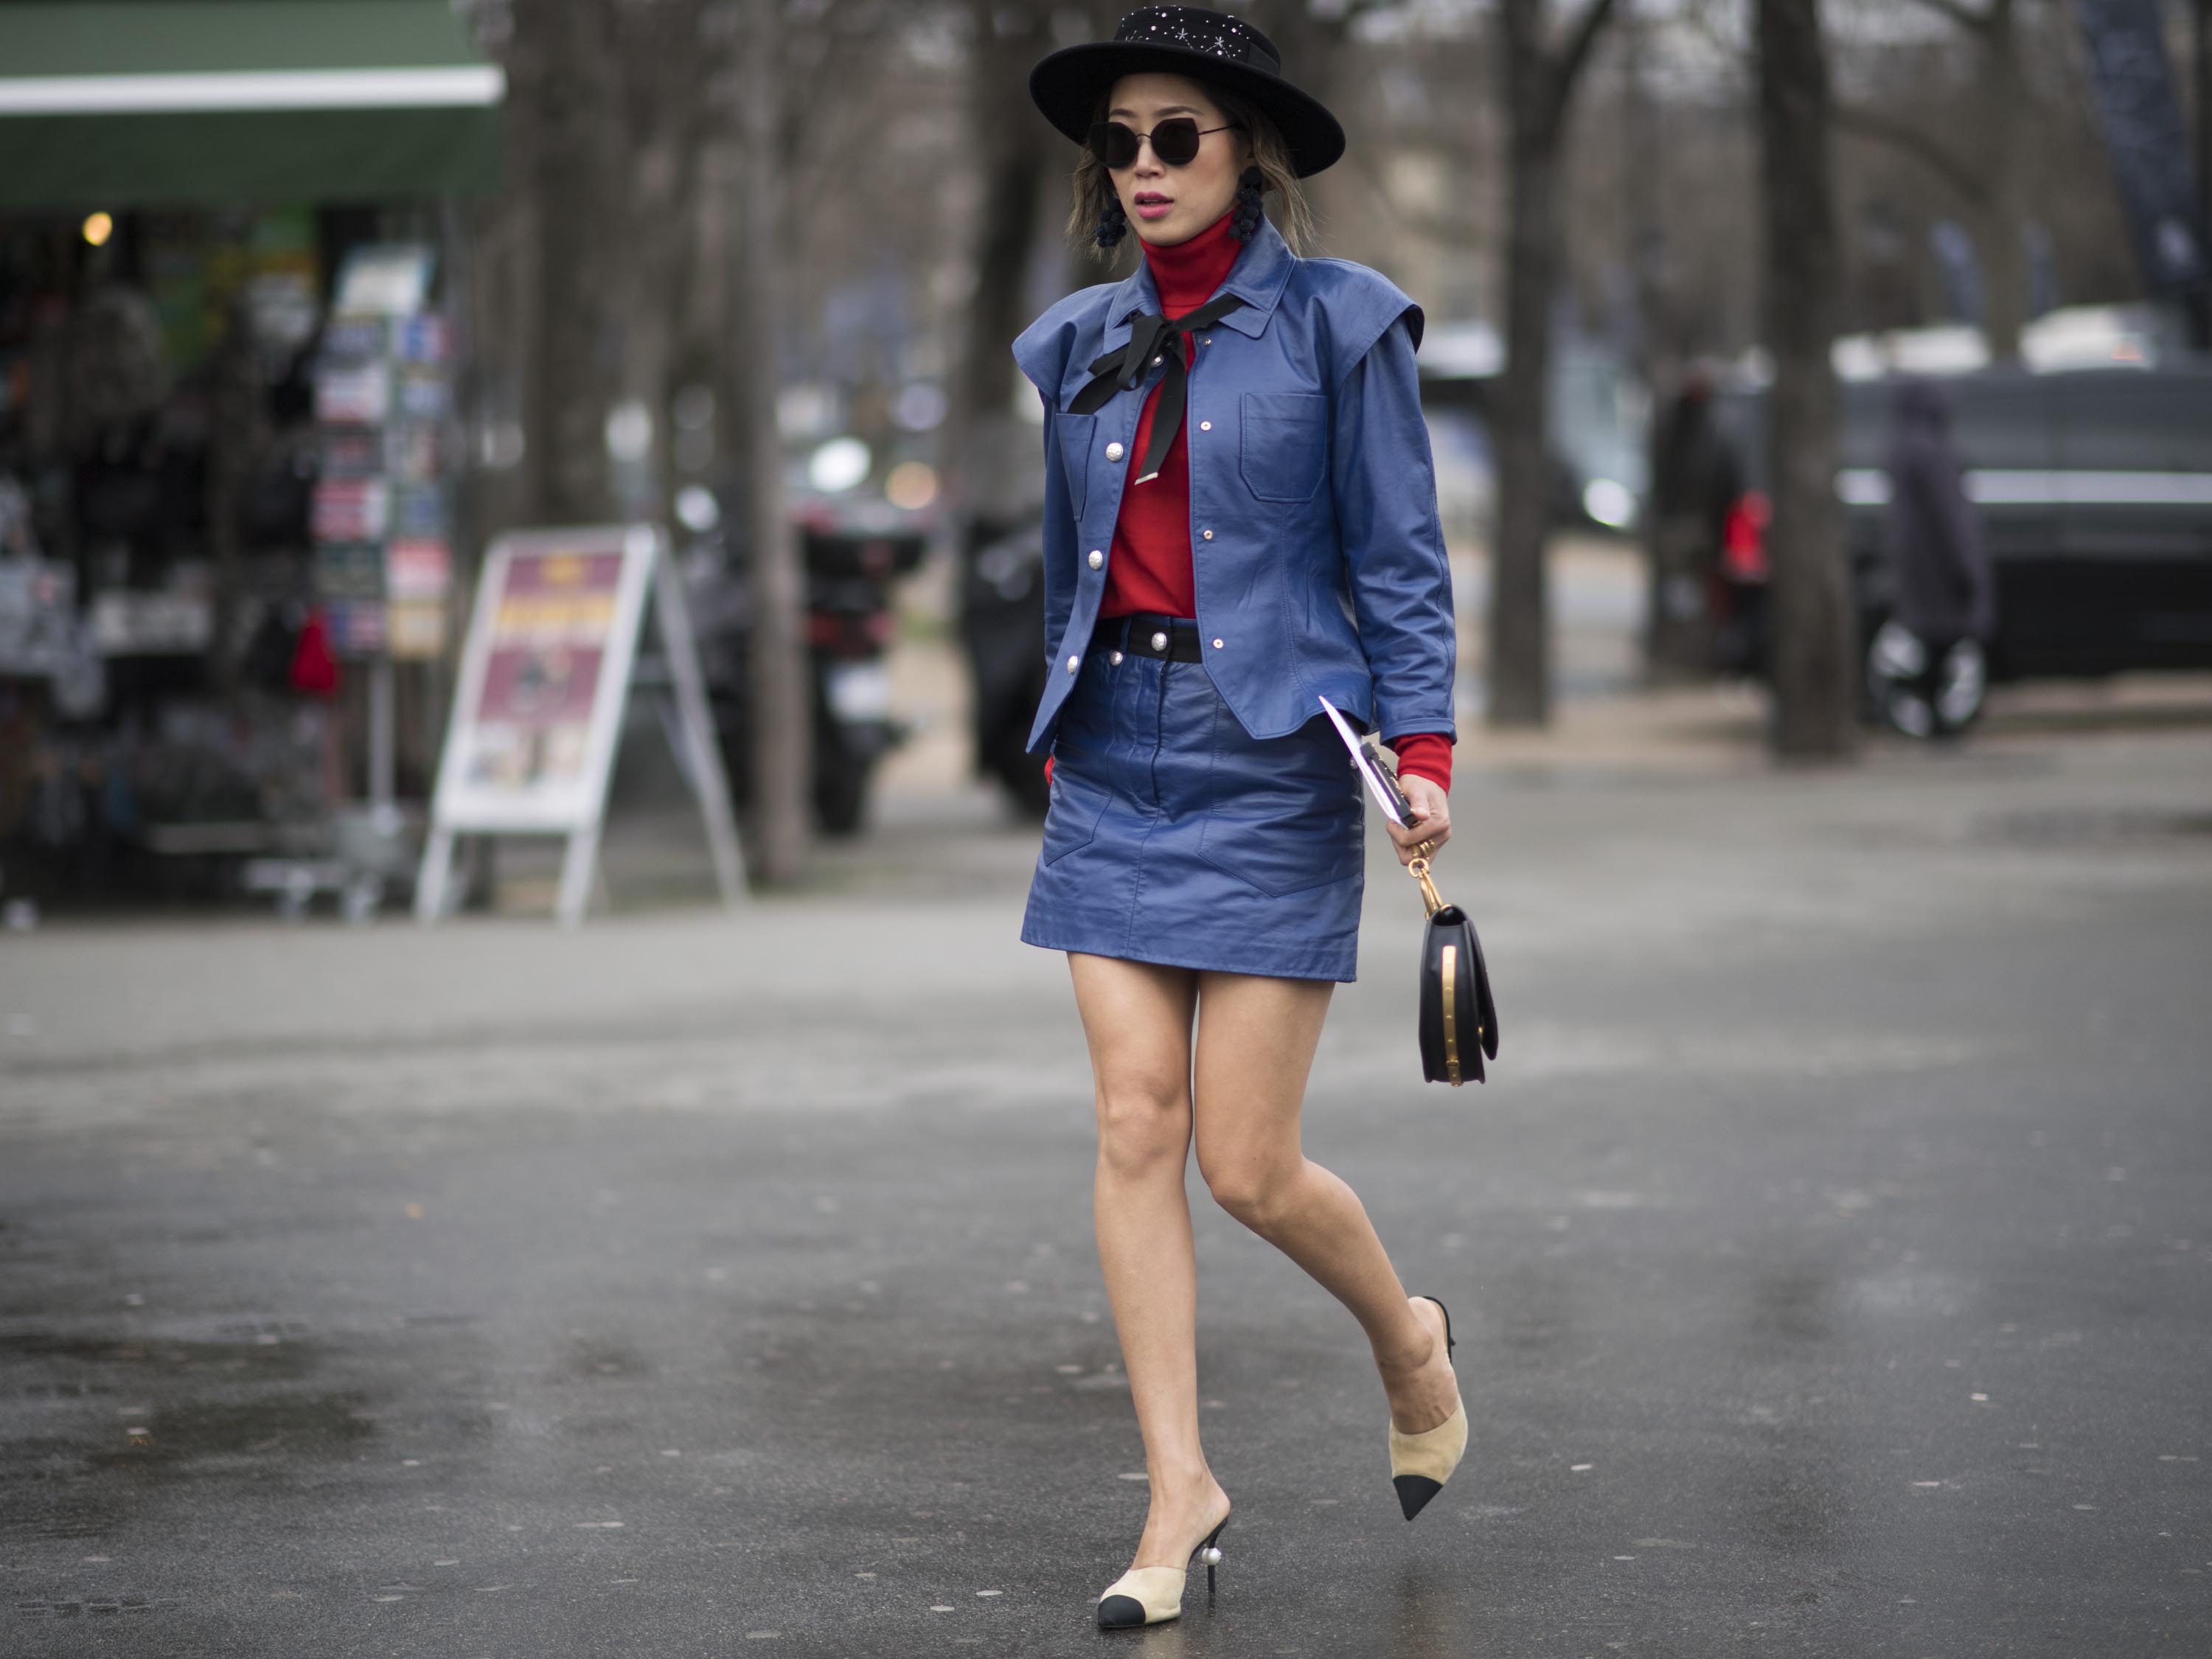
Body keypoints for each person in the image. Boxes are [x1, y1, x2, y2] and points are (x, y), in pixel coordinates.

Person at [1012, 7, 1464, 1630]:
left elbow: (1402, 563)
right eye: (1119, 140)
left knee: (1246, 1164)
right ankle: (1178, 1491)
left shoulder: (1345, 328)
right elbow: (1065, 562)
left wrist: (1425, 757)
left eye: (1174, 136)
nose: (1142, 166)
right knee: (1132, 1124)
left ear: (1244, 151)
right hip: (1112, 765)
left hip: (1273, 757)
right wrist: (1057, 726)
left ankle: (1409, 1340)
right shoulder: (1073, 344)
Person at [1873, 379, 1995, 737]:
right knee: (1948, 648)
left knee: (1926, 647)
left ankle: (1925, 713)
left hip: (1913, 571)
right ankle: (1942, 720)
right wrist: (1968, 569)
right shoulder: (1933, 452)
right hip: (1941, 572)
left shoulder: (1898, 450)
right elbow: (1951, 518)